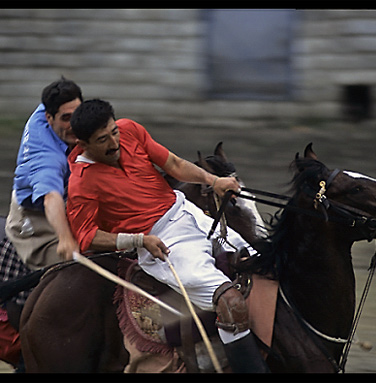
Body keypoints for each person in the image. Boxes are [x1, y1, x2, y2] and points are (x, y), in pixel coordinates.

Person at [65, 99, 270, 373]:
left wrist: (214, 181)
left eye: (113, 132)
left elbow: (172, 163)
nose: (114, 143)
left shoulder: (130, 130)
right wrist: (138, 240)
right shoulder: (81, 183)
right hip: (163, 243)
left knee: (264, 266)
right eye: (102, 140)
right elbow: (86, 237)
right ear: (83, 143)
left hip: (189, 212)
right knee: (231, 303)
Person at [5, 76, 82, 270]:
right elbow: (50, 197)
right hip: (36, 217)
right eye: (66, 119)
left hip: (71, 200)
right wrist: (65, 239)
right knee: (74, 271)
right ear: (49, 117)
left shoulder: (56, 106)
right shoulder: (46, 157)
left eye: (77, 114)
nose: (74, 125)